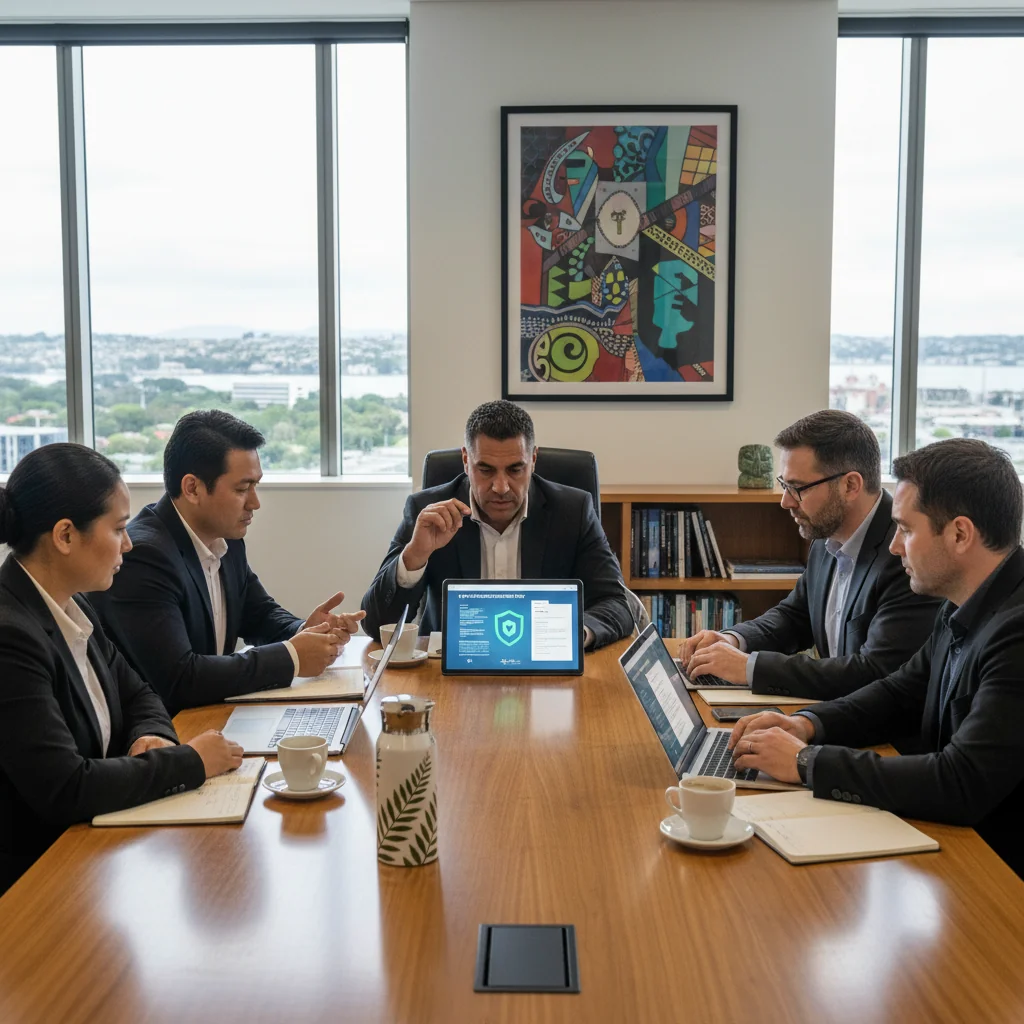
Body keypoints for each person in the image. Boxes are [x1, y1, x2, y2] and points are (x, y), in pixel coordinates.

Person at [729, 438, 1024, 878]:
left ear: (960, 534)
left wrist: (807, 762)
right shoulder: (963, 601)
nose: (894, 547)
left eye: (906, 529)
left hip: (994, 875)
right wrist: (807, 724)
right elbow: (900, 690)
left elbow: (962, 781)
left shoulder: (1016, 632)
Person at [0, 443, 243, 894]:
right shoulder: (11, 636)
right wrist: (188, 761)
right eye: (118, 529)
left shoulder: (73, 606)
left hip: (92, 855)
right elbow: (66, 787)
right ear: (65, 535)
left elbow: (140, 694)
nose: (129, 544)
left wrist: (148, 737)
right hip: (36, 883)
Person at [91, 411, 364, 715]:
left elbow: (258, 614)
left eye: (256, 486)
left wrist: (305, 630)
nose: (255, 503)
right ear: (192, 488)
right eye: (241, 489)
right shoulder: (144, 556)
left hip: (210, 716)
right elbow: (180, 678)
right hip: (164, 735)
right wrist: (292, 657)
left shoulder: (227, 539)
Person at [680, 410, 940, 700]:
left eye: (797, 488)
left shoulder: (905, 555)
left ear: (850, 485)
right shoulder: (826, 534)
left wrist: (750, 668)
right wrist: (733, 640)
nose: (785, 501)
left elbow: (875, 672)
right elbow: (795, 617)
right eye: (784, 484)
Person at [361, 400, 632, 649]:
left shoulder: (573, 511)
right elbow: (375, 625)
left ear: (533, 460)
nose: (501, 487)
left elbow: (616, 604)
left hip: (545, 664)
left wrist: (575, 634)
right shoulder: (428, 512)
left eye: (515, 469)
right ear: (466, 460)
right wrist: (414, 557)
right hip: (451, 673)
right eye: (486, 469)